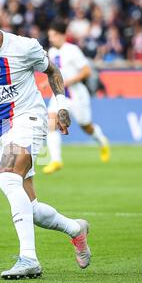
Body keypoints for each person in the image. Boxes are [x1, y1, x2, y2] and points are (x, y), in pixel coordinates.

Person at [0, 0, 91, 279]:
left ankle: (29, 259)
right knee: (30, 206)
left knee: (8, 178)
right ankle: (76, 229)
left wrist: (61, 105)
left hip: (29, 119)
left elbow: (53, 71)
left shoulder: (24, 47)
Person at [42, 21, 110, 175]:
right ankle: (56, 160)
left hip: (77, 96)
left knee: (86, 126)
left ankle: (102, 141)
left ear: (62, 35)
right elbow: (55, 73)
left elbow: (87, 71)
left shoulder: (73, 50)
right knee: (51, 122)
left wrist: (69, 81)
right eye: (50, 36)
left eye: (53, 36)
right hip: (60, 96)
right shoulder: (52, 52)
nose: (51, 39)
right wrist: (48, 82)